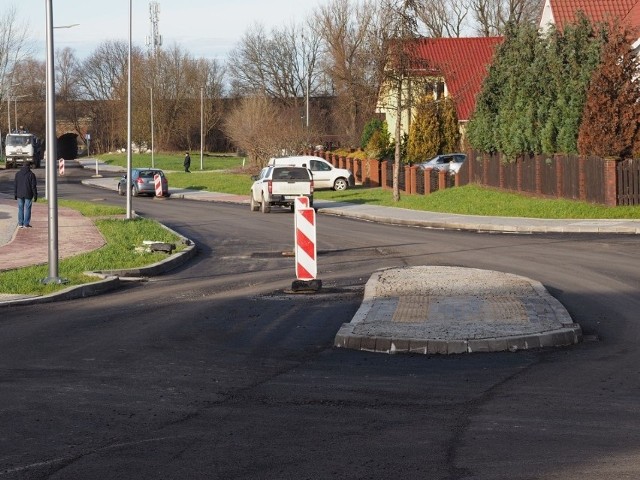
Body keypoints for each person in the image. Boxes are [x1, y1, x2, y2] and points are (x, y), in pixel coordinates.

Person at [14, 160, 38, 229]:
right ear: (29, 166)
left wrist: (15, 194)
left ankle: (20, 223)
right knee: (27, 208)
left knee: (20, 208)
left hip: (19, 194)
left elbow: (15, 185)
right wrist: (35, 195)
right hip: (28, 194)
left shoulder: (17, 174)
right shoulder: (31, 174)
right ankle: (26, 224)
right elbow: (33, 186)